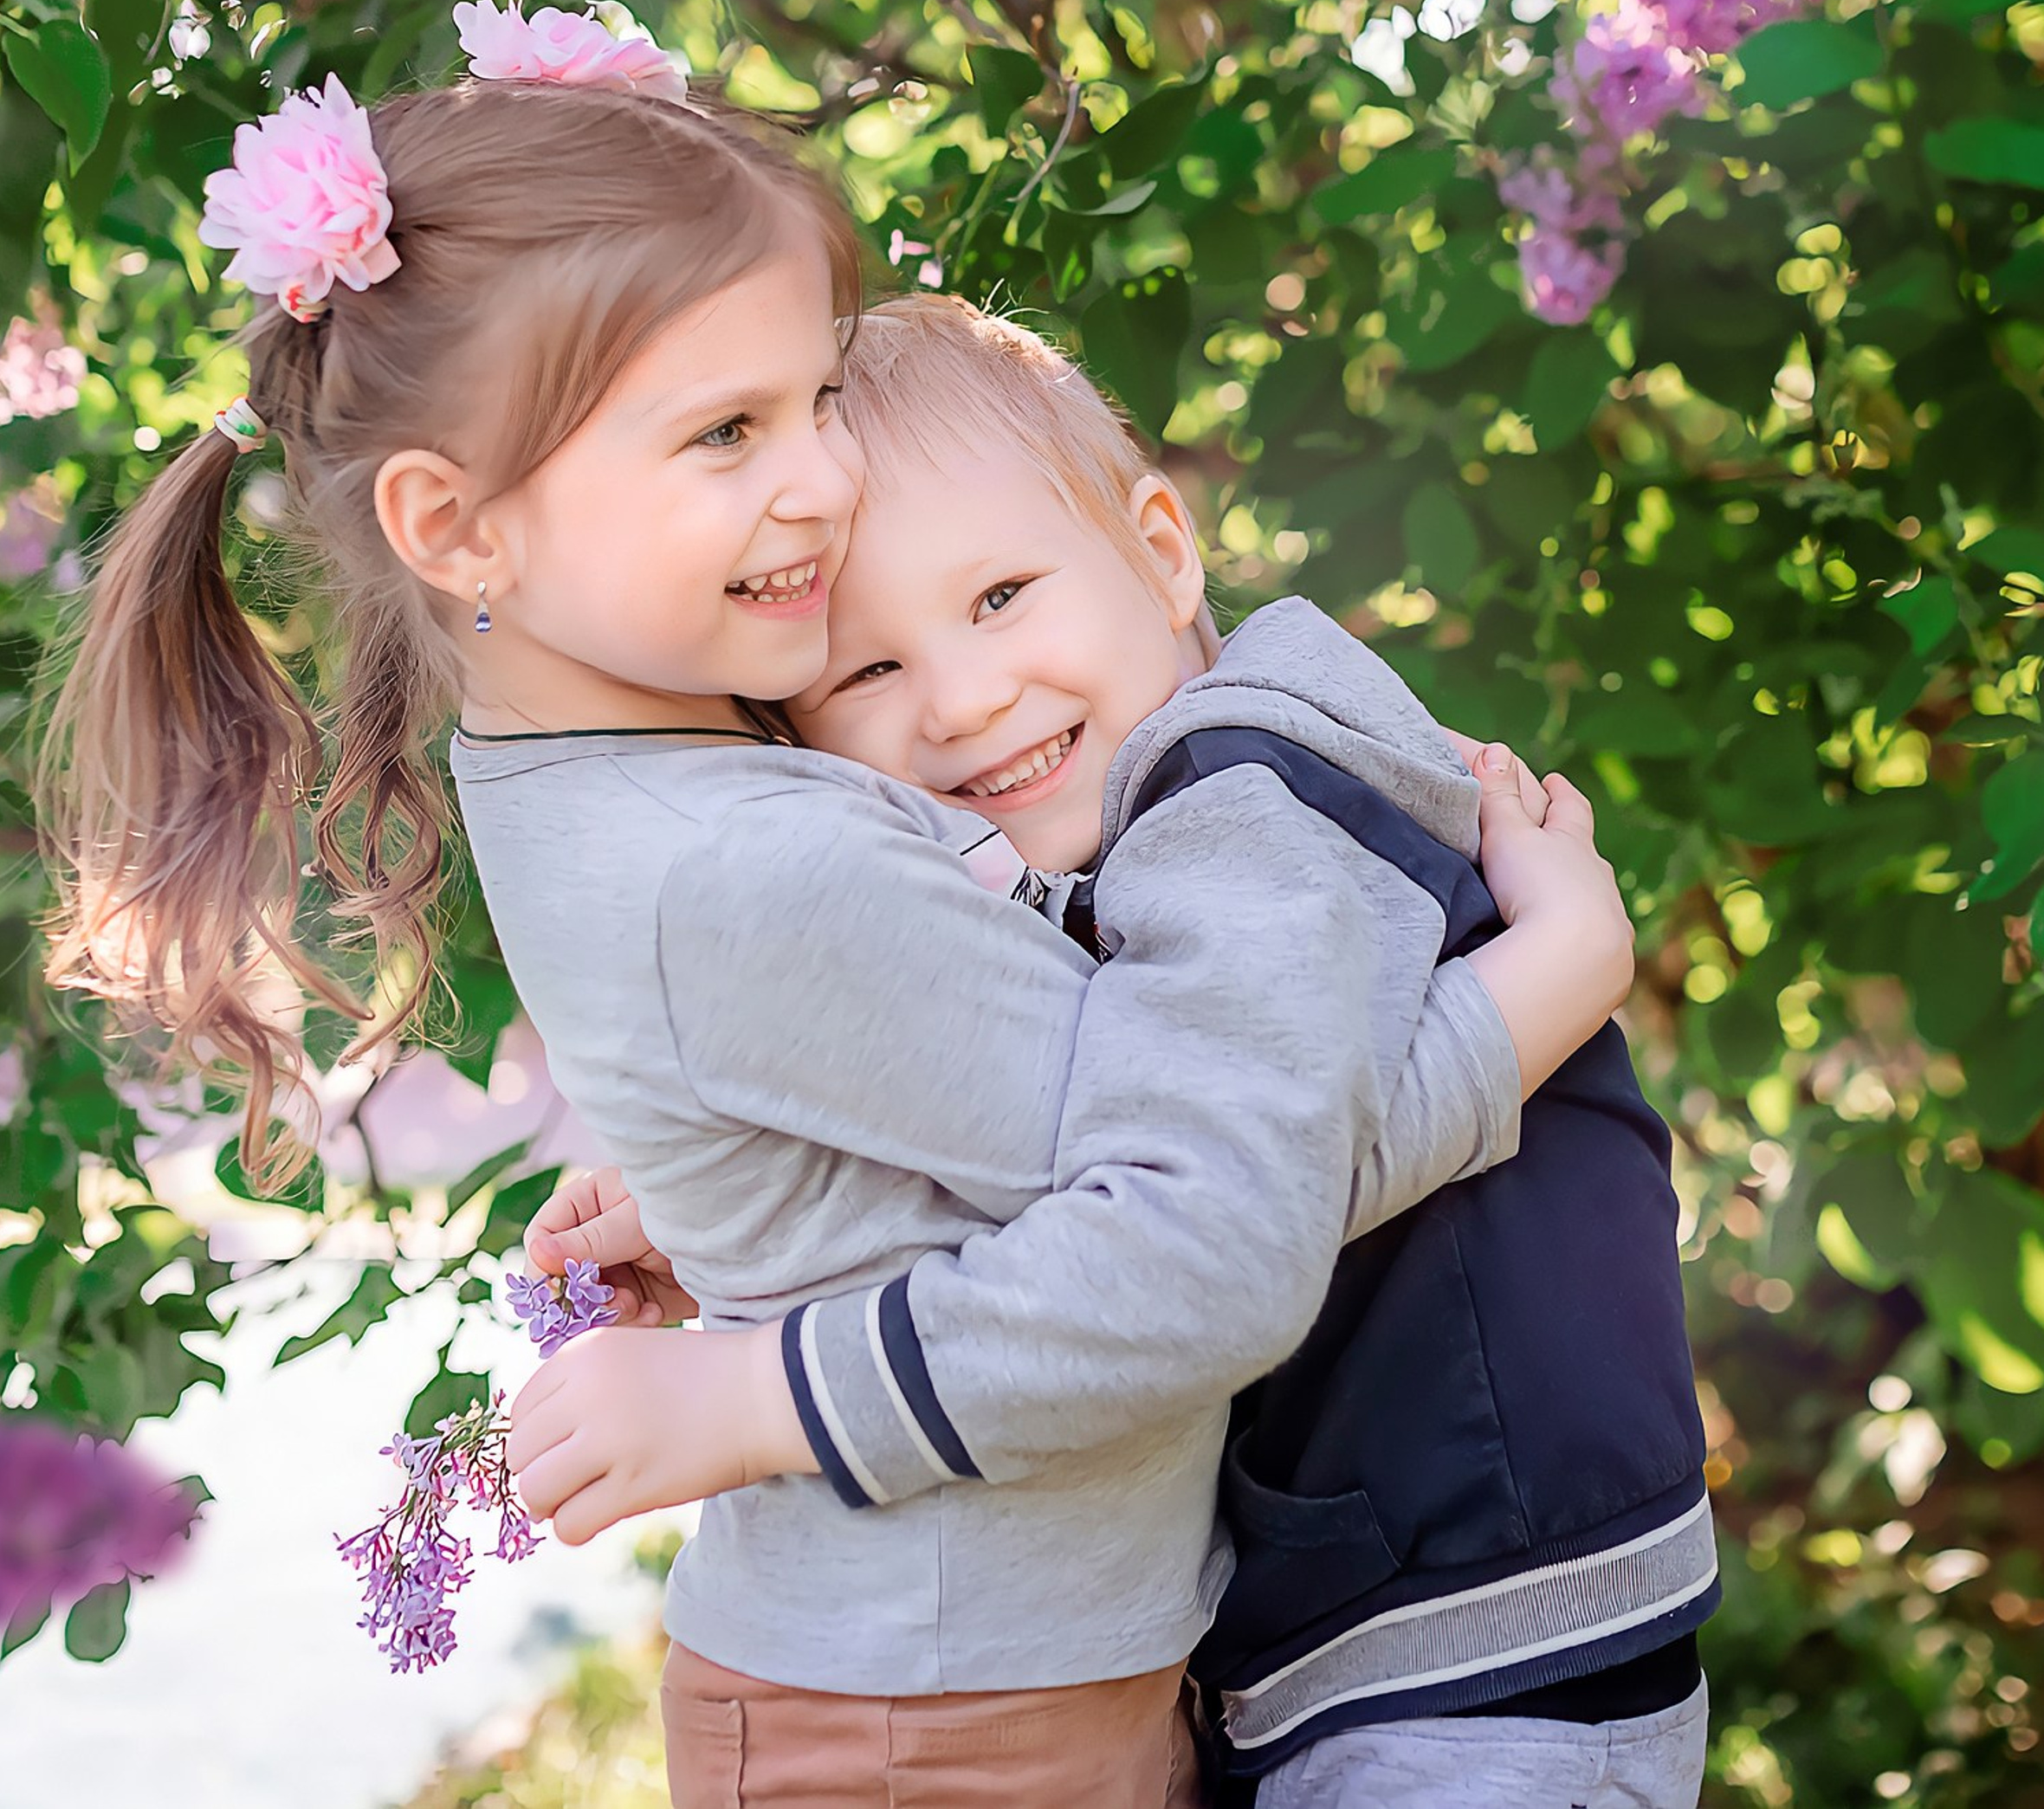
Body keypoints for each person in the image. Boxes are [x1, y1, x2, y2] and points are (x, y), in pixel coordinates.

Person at [40, 14, 1626, 1809]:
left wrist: (777, 1213)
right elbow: (1216, 1216)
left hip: (962, 1676)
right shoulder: (749, 862)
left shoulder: (592, 766)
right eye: (726, 430)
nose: (823, 478)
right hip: (942, 1729)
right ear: (459, 528)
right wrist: (1545, 983)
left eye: (809, 401)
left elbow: (928, 1093)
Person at [552, 294, 1713, 1807]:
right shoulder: (1143, 833)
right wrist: (743, 1216)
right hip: (1404, 1629)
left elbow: (1221, 1203)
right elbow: (1076, 1131)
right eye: (867, 674)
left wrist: (753, 1393)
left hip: (1484, 1659)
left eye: (999, 596)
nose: (965, 698)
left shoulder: (1239, 795)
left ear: (1164, 552)